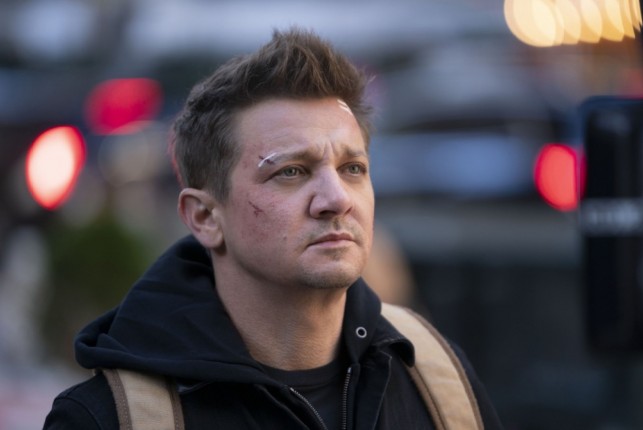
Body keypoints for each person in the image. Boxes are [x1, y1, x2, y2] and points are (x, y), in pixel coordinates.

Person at [43, 28, 503, 429]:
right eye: (291, 171)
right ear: (204, 217)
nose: (337, 198)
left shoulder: (436, 377)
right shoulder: (111, 417)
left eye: (353, 169)